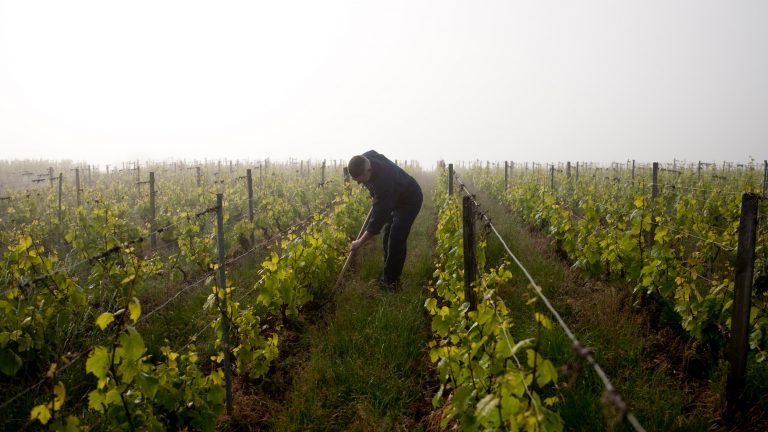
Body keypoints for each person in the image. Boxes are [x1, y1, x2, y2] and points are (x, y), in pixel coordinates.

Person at [348, 150, 423, 289]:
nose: (360, 183)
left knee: (396, 236)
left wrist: (360, 242)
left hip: (409, 200)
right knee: (387, 234)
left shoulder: (384, 181)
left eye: (361, 180)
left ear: (369, 170)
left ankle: (390, 283)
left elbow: (378, 219)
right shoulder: (365, 159)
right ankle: (388, 272)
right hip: (393, 197)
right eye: (356, 181)